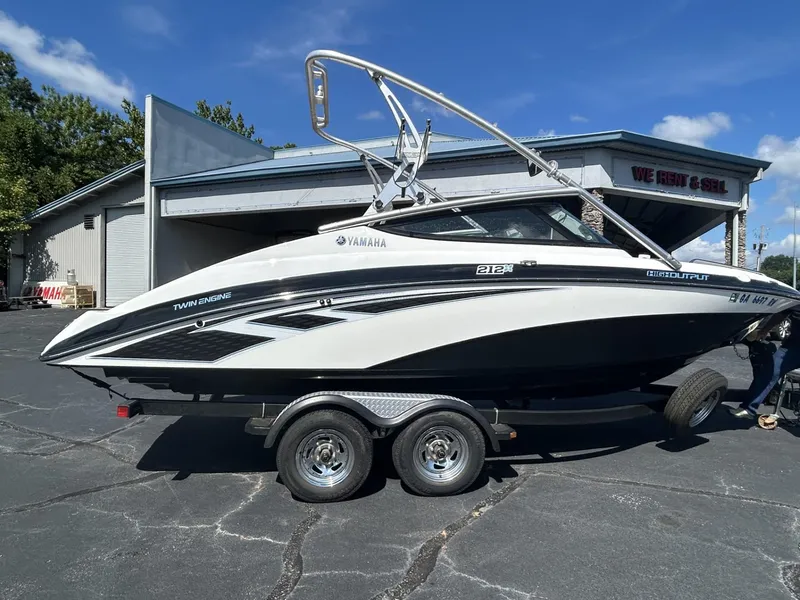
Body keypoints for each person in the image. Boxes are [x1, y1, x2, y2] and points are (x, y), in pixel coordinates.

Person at [730, 308, 800, 418]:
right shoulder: (796, 302)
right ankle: (748, 408)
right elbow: (781, 314)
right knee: (770, 369)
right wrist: (765, 330)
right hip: (794, 346)